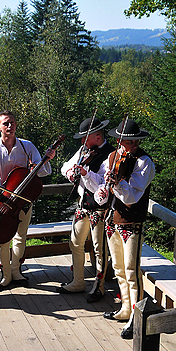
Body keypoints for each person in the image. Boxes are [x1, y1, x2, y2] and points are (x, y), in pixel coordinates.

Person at [0, 110, 56, 291]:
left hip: (23, 200)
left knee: (20, 237)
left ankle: (16, 271)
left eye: (12, 122)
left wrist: (45, 161)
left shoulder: (27, 146)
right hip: (1, 200)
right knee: (2, 238)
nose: (10, 126)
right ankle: (4, 275)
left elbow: (43, 171)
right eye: (6, 123)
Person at [91, 119, 155, 339]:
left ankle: (136, 319)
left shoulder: (144, 162)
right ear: (119, 140)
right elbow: (104, 190)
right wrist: (103, 192)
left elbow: (132, 196)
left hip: (132, 222)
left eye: (135, 140)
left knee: (131, 269)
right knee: (118, 268)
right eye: (129, 140)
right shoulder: (112, 158)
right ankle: (126, 309)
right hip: (112, 220)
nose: (134, 143)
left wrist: (117, 183)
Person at [57, 116, 114, 302]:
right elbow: (65, 167)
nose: (82, 141)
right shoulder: (84, 150)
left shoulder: (110, 155)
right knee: (75, 242)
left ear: (97, 136)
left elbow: (101, 184)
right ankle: (78, 281)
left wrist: (85, 173)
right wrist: (71, 172)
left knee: (100, 249)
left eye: (86, 137)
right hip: (83, 204)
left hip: (100, 208)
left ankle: (99, 286)